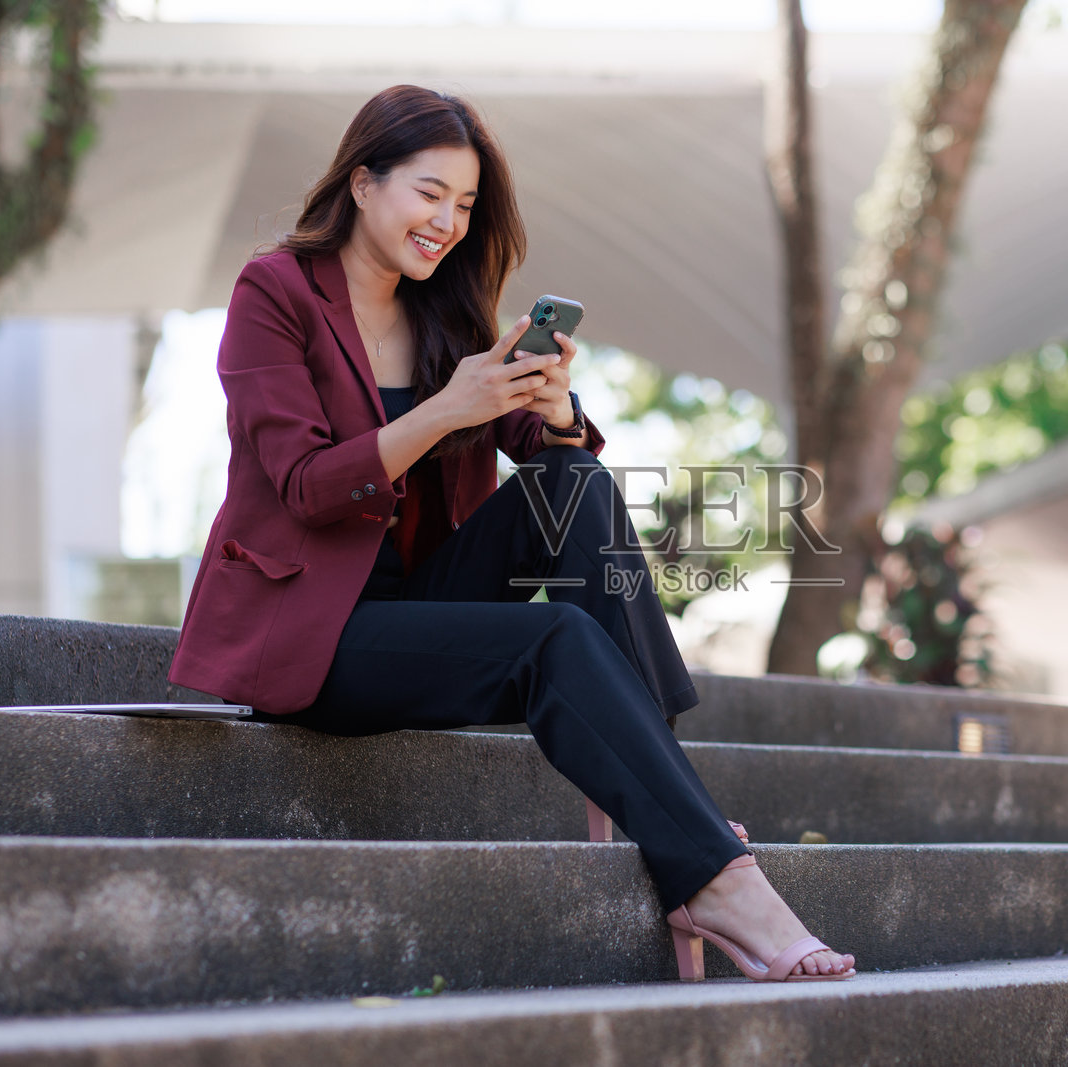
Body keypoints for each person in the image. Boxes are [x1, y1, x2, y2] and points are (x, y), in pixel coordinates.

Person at [167, 85, 854, 983]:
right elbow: (304, 485)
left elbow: (545, 450)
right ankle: (714, 872)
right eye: (429, 193)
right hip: (314, 634)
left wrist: (557, 408)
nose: (447, 223)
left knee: (575, 481)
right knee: (553, 637)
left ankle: (677, 810)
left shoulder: (443, 310)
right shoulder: (277, 291)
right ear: (363, 183)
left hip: (424, 597)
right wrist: (446, 410)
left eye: (464, 204)